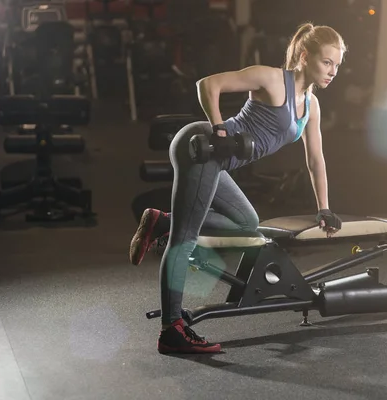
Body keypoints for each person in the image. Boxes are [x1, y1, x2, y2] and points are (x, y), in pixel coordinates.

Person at [130, 22, 347, 354]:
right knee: (184, 241)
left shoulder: (311, 106)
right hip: (201, 147)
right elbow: (209, 84)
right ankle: (171, 330)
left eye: (337, 65)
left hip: (219, 164)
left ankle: (161, 221)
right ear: (305, 56)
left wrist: (324, 208)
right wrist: (219, 129)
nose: (332, 71)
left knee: (247, 223)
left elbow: (316, 159)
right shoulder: (272, 79)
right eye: (326, 62)